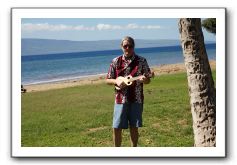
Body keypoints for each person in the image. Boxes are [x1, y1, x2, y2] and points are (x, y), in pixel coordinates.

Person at [106, 36, 152, 147]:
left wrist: (145, 79)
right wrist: (116, 81)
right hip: (120, 99)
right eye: (125, 46)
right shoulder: (116, 61)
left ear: (133, 46)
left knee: (134, 127)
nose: (127, 48)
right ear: (121, 47)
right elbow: (107, 79)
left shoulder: (141, 61)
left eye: (130, 46)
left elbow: (148, 79)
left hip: (136, 99)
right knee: (116, 127)